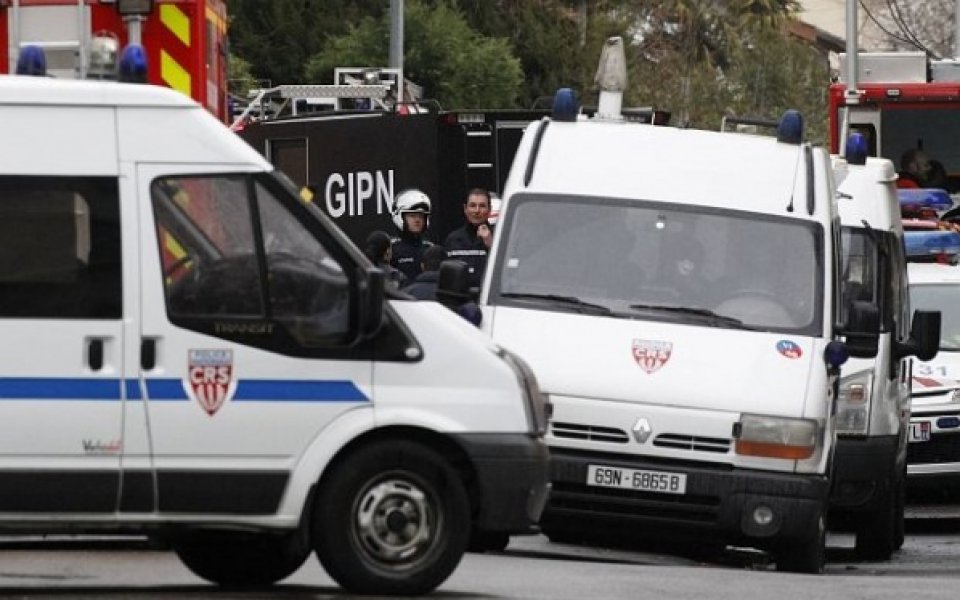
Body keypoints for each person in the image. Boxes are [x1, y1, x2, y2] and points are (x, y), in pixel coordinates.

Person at [444, 188, 495, 291]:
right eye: (472, 206)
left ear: (489, 210)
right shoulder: (453, 239)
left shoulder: (498, 237)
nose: (477, 211)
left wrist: (491, 244)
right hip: (459, 299)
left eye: (482, 206)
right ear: (465, 209)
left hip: (487, 299)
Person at [390, 189, 434, 282]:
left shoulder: (430, 248)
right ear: (399, 216)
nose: (417, 220)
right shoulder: (391, 249)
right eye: (412, 215)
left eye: (421, 216)